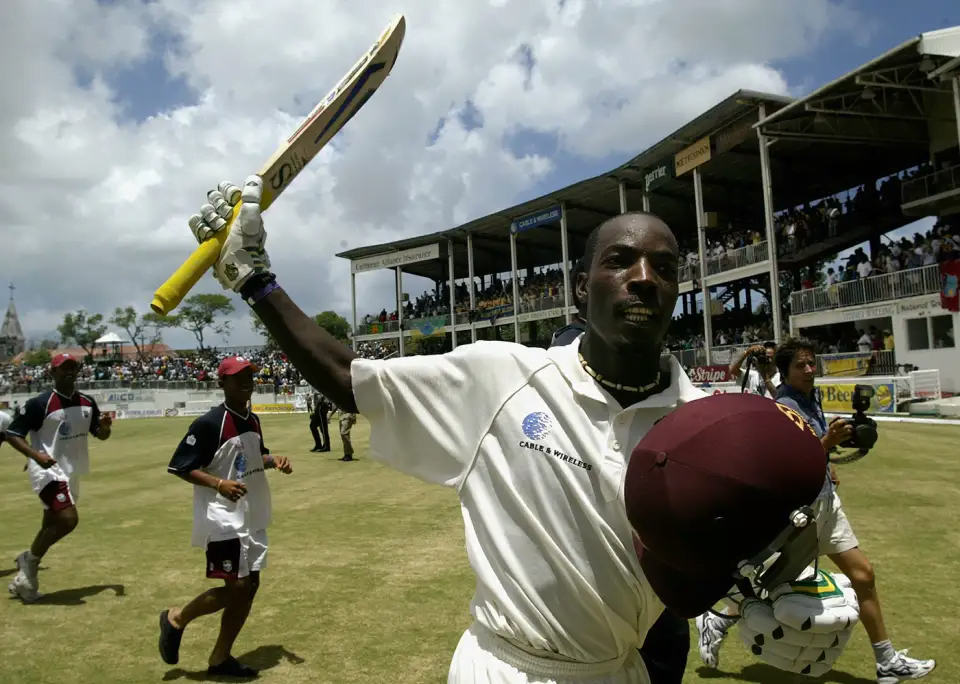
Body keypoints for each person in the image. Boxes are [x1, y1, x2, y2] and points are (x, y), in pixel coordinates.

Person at [183, 177, 852, 683]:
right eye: (621, 261)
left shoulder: (701, 421)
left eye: (666, 267)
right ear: (580, 283)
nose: (644, 279)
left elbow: (721, 566)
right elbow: (348, 376)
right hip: (505, 668)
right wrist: (253, 277)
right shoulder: (502, 377)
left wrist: (781, 599)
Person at [696, 337, 936, 684]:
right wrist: (826, 445)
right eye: (801, 366)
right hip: (800, 512)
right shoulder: (783, 408)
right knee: (773, 583)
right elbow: (785, 463)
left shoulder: (812, 398)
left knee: (863, 575)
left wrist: (827, 459)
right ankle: (717, 620)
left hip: (825, 502)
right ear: (785, 372)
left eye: (812, 363)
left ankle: (887, 661)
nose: (810, 370)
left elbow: (813, 451)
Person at [548, 265, 689, 684]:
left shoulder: (682, 399)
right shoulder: (558, 356)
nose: (643, 280)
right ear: (582, 291)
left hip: (655, 590)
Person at [158, 355, 292, 678]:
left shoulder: (253, 419)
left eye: (250, 374)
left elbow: (252, 455)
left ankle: (220, 657)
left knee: (250, 585)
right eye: (238, 376)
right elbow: (180, 466)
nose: (246, 381)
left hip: (252, 515)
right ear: (222, 383)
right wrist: (218, 483)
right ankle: (176, 618)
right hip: (222, 518)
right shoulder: (209, 423)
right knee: (237, 588)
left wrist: (274, 460)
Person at [5, 353, 112, 603]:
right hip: (46, 471)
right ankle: (29, 562)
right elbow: (12, 433)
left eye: (73, 368)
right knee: (68, 519)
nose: (69, 372)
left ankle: (24, 575)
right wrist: (35, 455)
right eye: (63, 369)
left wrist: (105, 427)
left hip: (71, 472)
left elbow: (100, 434)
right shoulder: (39, 404)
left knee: (49, 524)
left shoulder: (87, 402)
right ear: (52, 373)